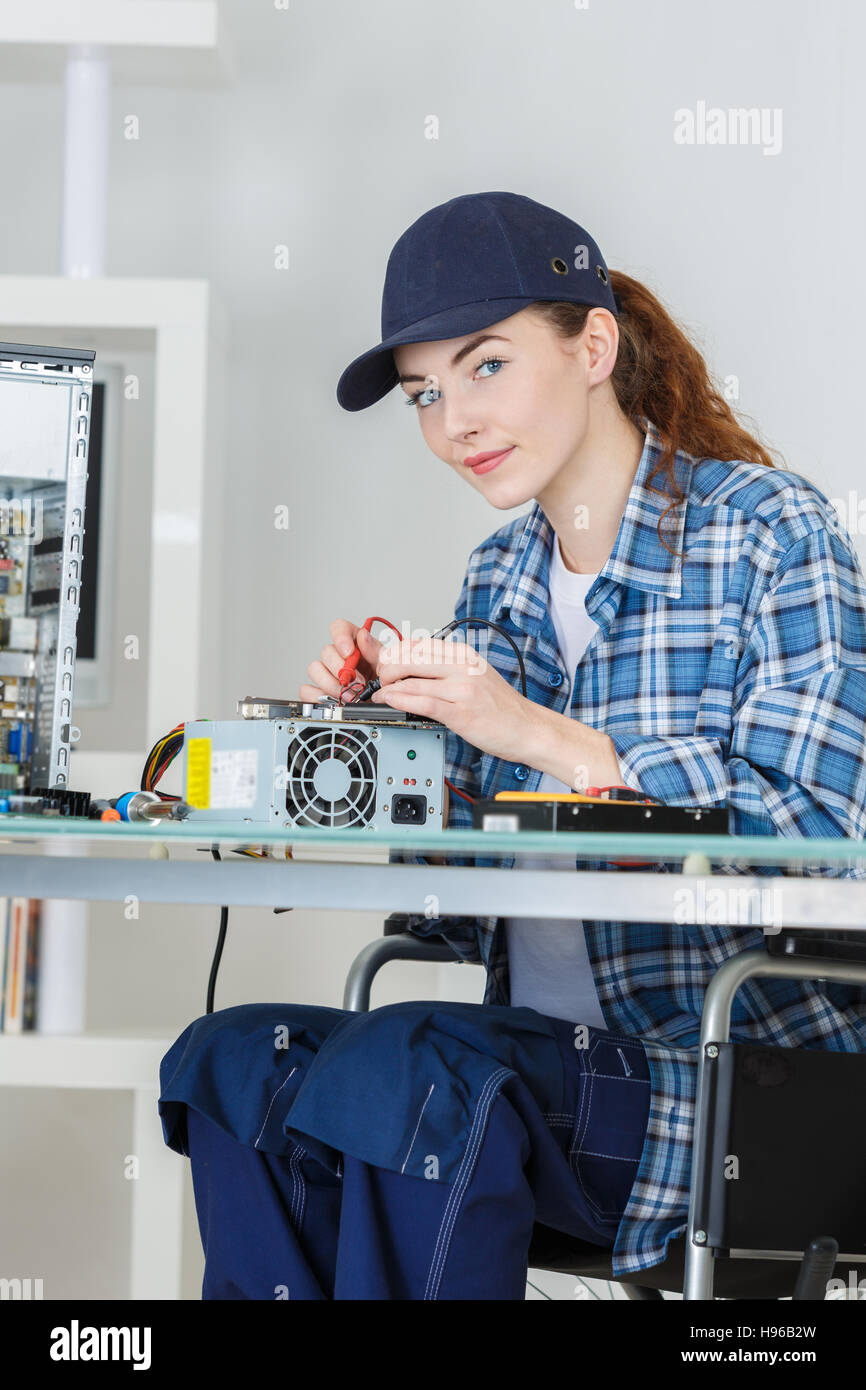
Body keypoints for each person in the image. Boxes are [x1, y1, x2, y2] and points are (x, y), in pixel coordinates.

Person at [158, 191, 866, 1300]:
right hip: (526, 1078)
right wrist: (358, 750)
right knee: (231, 1060)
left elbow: (826, 834)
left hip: (736, 1089)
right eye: (425, 395)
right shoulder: (498, 578)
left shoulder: (769, 533)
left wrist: (543, 734)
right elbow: (458, 880)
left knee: (412, 1069)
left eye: (484, 367)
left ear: (593, 344)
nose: (453, 424)